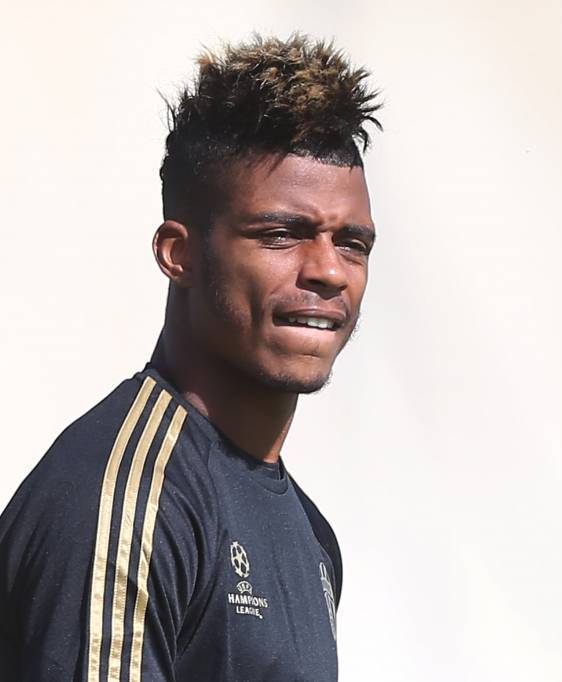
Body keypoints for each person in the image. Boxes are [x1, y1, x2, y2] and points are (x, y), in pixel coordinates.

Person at [0, 33, 381, 681]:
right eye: (281, 234)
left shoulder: (312, 536)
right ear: (179, 255)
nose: (328, 270)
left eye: (352, 243)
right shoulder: (130, 504)